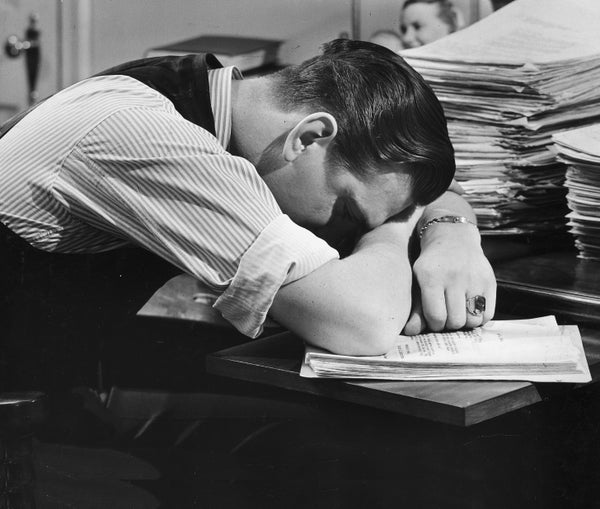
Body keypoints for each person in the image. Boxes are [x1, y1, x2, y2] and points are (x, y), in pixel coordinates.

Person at [0, 40, 494, 383]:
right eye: (345, 208)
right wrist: (393, 230)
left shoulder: (205, 95)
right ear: (309, 137)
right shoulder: (150, 137)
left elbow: (432, 195)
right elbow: (361, 323)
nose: (332, 229)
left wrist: (454, 235)